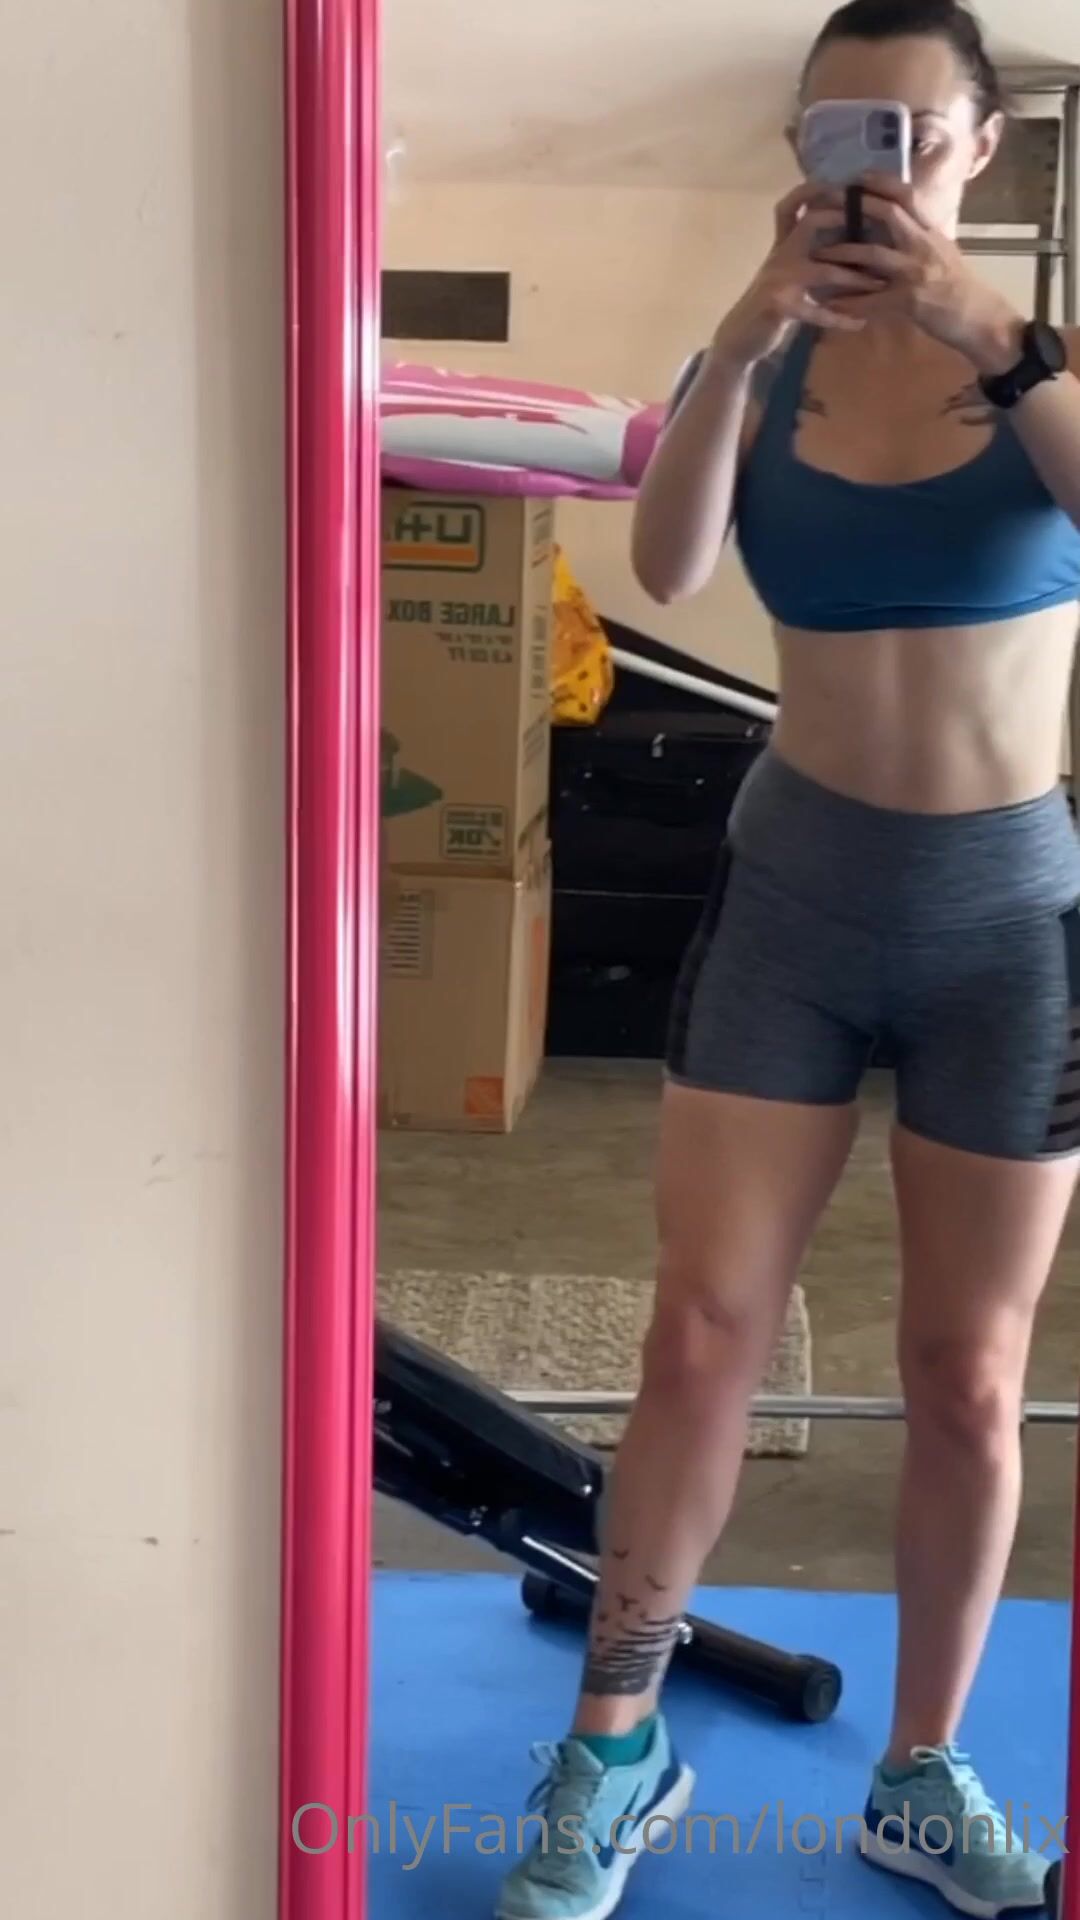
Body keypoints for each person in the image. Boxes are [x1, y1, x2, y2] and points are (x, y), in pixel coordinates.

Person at [496, 3, 1080, 1917]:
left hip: (1008, 918)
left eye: (915, 132)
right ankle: (614, 1743)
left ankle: (924, 1770)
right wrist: (747, 330)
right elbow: (667, 568)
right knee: (698, 1331)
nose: (880, 168)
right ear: (803, 150)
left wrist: (990, 333)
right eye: (846, 131)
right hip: (795, 897)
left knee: (968, 1376)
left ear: (979, 149)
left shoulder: (1048, 360)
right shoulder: (761, 356)